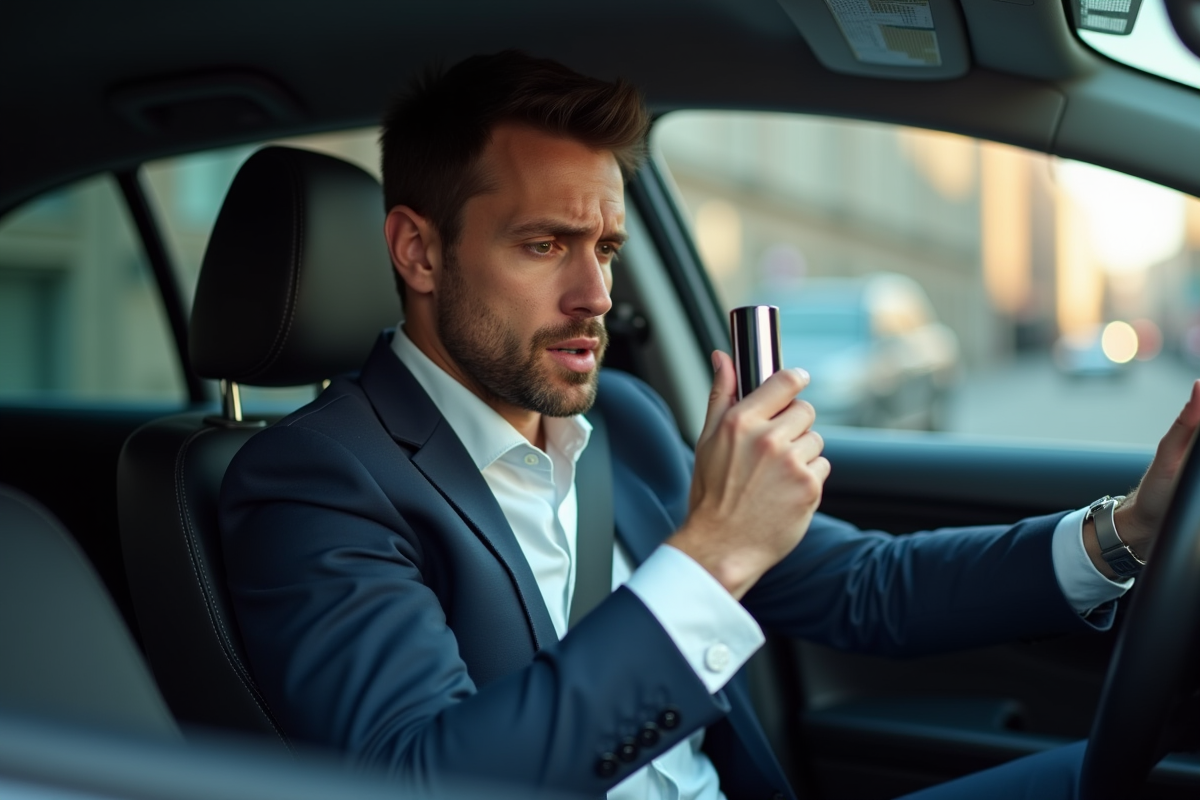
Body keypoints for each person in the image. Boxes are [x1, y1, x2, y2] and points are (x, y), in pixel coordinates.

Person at [219, 51, 1198, 800]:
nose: (595, 293)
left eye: (605, 246)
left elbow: (865, 587)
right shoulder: (314, 480)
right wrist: (714, 552)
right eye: (545, 244)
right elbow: (424, 776)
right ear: (419, 252)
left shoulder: (627, 422)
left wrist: (1128, 531)